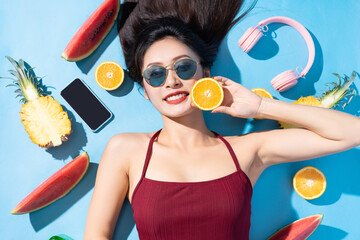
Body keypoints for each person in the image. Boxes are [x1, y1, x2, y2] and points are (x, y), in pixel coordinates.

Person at [84, 0, 360, 239]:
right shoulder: (126, 150)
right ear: (145, 90)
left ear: (204, 74)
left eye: (184, 67)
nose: (171, 81)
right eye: (155, 74)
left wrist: (261, 106)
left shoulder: (247, 151)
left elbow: (352, 132)